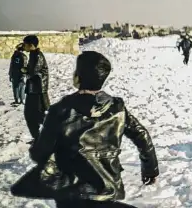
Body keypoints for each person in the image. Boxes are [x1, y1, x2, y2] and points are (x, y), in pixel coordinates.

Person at [10, 51, 159, 208]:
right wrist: (150, 169)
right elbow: (141, 134)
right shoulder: (117, 108)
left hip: (70, 193)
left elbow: (40, 153)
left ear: (78, 77)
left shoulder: (61, 110)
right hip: (106, 187)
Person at [23, 35, 50, 142]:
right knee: (30, 114)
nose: (24, 47)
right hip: (32, 89)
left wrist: (24, 70)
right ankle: (38, 138)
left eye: (25, 44)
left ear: (31, 45)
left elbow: (33, 71)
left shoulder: (38, 56)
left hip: (38, 90)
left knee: (38, 115)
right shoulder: (33, 55)